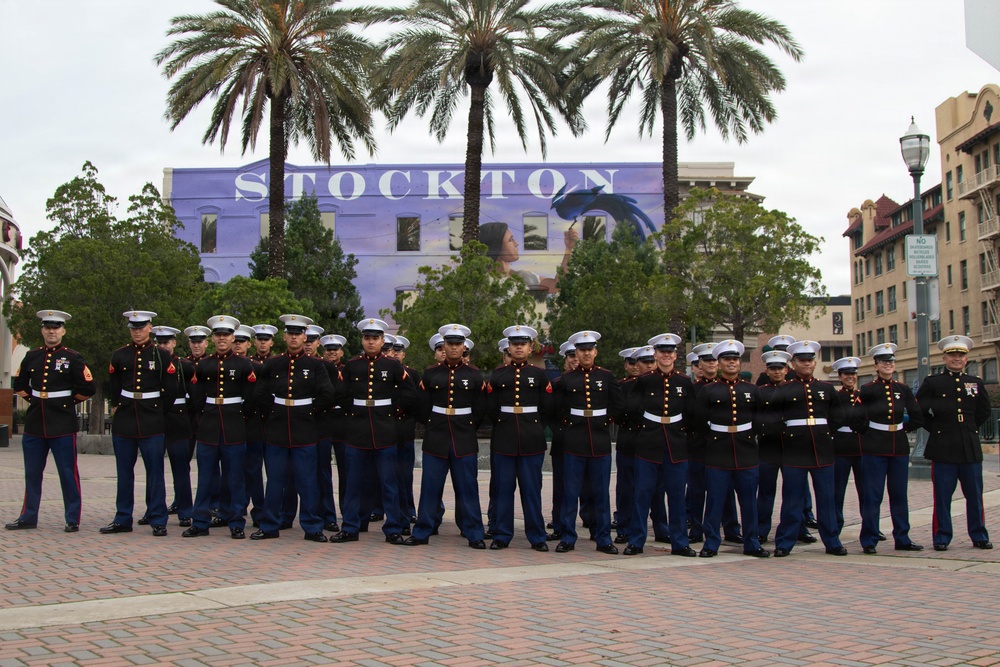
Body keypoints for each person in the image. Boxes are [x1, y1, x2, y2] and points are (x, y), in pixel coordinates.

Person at [7, 310, 95, 532]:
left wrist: (66, 403)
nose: (51, 331)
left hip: (62, 423)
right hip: (36, 422)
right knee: (32, 473)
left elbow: (87, 388)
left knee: (67, 472)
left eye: (56, 327)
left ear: (63, 331)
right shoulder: (32, 356)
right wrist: (34, 400)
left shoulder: (73, 357)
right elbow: (19, 384)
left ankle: (72, 517)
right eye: (47, 327)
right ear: (42, 330)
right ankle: (28, 516)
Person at [251, 314, 336, 542]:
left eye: (299, 334)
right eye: (290, 334)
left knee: (307, 481)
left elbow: (327, 395)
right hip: (278, 429)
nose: (294, 338)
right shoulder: (273, 364)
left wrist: (309, 412)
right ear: (285, 336)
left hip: (305, 429)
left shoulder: (316, 365)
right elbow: (260, 393)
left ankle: (312, 526)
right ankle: (269, 525)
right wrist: (273, 413)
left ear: (304, 336)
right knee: (275, 481)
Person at [332, 318, 415, 544]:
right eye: (367, 338)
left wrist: (393, 411)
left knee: (389, 483)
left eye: (375, 338)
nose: (371, 342)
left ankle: (394, 528)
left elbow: (409, 393)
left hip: (385, 430)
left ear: (382, 340)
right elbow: (341, 394)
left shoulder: (393, 365)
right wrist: (354, 413)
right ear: (362, 340)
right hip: (357, 431)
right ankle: (350, 527)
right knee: (353, 483)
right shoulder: (352, 365)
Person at [404, 324, 487, 549]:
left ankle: (474, 533)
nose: (453, 348)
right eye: (449, 344)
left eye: (457, 344)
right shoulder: (431, 373)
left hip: (464, 437)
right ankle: (422, 531)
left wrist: (469, 427)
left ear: (464, 348)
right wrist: (430, 423)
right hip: (436, 436)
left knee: (467, 488)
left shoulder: (474, 374)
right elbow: (421, 404)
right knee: (430, 487)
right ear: (444, 346)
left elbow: (480, 407)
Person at [768, 340, 847, 557]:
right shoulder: (784, 389)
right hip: (795, 450)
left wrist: (826, 433)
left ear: (815, 363)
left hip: (822, 450)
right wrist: (786, 434)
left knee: (826, 499)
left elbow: (838, 417)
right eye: (802, 361)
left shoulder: (826, 388)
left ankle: (832, 541)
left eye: (810, 360)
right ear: (792, 364)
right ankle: (785, 541)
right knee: (793, 499)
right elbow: (773, 418)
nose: (807, 364)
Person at [102, 310, 177, 536]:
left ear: (150, 328)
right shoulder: (120, 355)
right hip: (125, 418)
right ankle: (123, 518)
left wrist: (159, 410)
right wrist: (116, 404)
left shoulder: (162, 355)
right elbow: (113, 385)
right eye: (133, 327)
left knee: (155, 471)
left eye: (141, 327)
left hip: (151, 417)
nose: (137, 331)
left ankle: (157, 518)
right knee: (124, 471)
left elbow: (171, 389)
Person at [917, 335, 993, 551]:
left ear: (966, 358)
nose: (956, 359)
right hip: (942, 447)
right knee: (942, 496)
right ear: (944, 357)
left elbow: (984, 410)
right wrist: (938, 429)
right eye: (952, 355)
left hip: (969, 446)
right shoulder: (933, 382)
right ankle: (941, 537)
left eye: (960, 355)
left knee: (975, 496)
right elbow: (920, 412)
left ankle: (979, 535)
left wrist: (970, 428)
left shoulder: (975, 383)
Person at [624, 333, 696, 557]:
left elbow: (692, 412)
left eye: (670, 352)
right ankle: (636, 541)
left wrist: (683, 431)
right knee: (642, 494)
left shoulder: (684, 381)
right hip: (649, 442)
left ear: (675, 355)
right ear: (655, 354)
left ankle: (680, 542)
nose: (666, 355)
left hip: (675, 443)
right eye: (662, 352)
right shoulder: (645, 381)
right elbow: (632, 409)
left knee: (676, 495)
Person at [184, 316, 256, 539]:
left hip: (234, 425)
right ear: (213, 338)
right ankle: (200, 522)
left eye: (226, 335)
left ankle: (236, 522)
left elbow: (251, 397)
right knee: (205, 478)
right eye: (218, 335)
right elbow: (196, 398)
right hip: (209, 426)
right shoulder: (205, 365)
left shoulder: (244, 365)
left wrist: (240, 416)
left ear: (233, 337)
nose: (222, 338)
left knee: (235, 478)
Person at [696, 340, 768, 558]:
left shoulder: (751, 390)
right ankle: (711, 543)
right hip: (718, 452)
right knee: (715, 501)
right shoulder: (709, 390)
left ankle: (752, 542)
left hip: (745, 451)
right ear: (719, 363)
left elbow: (759, 419)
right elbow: (698, 421)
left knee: (749, 503)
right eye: (727, 359)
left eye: (735, 359)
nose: (732, 363)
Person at [485, 325, 554, 551]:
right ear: (509, 347)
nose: (519, 348)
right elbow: (491, 408)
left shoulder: (539, 374)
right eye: (515, 344)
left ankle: (537, 536)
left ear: (530, 347)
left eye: (523, 344)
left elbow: (546, 408)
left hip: (531, 438)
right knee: (503, 490)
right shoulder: (498, 374)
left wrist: (534, 427)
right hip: (504, 438)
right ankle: (502, 535)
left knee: (532, 490)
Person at [852, 343, 924, 554]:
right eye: (884, 362)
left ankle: (902, 537)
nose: (888, 365)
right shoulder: (868, 389)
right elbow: (855, 419)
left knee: (899, 495)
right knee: (873, 495)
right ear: (876, 365)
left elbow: (917, 416)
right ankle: (869, 539)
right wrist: (872, 433)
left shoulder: (903, 389)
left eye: (891, 361)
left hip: (898, 448)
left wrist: (902, 429)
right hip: (875, 449)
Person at [151, 325, 195, 528]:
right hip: (156, 418)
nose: (162, 346)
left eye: (166, 342)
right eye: (159, 342)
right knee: (154, 469)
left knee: (180, 468)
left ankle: (185, 510)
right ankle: (152, 509)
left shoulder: (184, 366)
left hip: (178, 420)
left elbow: (193, 396)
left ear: (174, 343)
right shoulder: (151, 364)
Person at [478, 221, 577, 293]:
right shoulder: (482, 284)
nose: (516, 244)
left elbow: (557, 285)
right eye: (510, 240)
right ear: (496, 246)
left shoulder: (524, 277)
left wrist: (569, 249)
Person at [755, 349, 790, 543]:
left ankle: (797, 527)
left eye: (780, 368)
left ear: (786, 370)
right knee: (766, 492)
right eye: (773, 368)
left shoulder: (795, 389)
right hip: (768, 446)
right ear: (767, 371)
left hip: (790, 446)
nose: (777, 372)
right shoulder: (760, 392)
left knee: (792, 492)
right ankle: (762, 529)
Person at [830, 356, 865, 536]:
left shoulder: (863, 396)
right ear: (840, 376)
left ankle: (869, 525)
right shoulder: (836, 397)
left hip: (861, 448)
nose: (850, 377)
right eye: (846, 374)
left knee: (866, 492)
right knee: (837, 491)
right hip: (841, 448)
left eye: (853, 374)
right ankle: (836, 524)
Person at [389, 335, 420, 534]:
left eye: (398, 351)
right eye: (391, 350)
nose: (394, 354)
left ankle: (408, 510)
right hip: (385, 428)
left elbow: (416, 401)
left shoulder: (412, 374)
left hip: (405, 429)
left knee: (404, 475)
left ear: (403, 354)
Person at [316, 334, 347, 533]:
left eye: (335, 349)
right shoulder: (318, 368)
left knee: (347, 472)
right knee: (323, 472)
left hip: (344, 424)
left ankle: (347, 510)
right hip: (323, 422)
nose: (331, 352)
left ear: (341, 352)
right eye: (328, 349)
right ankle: (326, 513)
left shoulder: (347, 370)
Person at [546, 341, 577, 541]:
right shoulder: (557, 384)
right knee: (561, 487)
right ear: (565, 360)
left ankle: (590, 521)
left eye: (578, 355)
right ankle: (559, 524)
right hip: (563, 439)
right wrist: (560, 427)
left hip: (587, 439)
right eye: (571, 356)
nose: (575, 360)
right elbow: (549, 411)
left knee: (590, 487)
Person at [613, 347, 639, 544]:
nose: (636, 367)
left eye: (640, 363)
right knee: (626, 487)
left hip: (650, 441)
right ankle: (623, 525)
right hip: (628, 440)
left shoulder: (654, 384)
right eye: (631, 363)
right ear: (626, 365)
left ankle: (659, 526)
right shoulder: (621, 386)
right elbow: (616, 411)